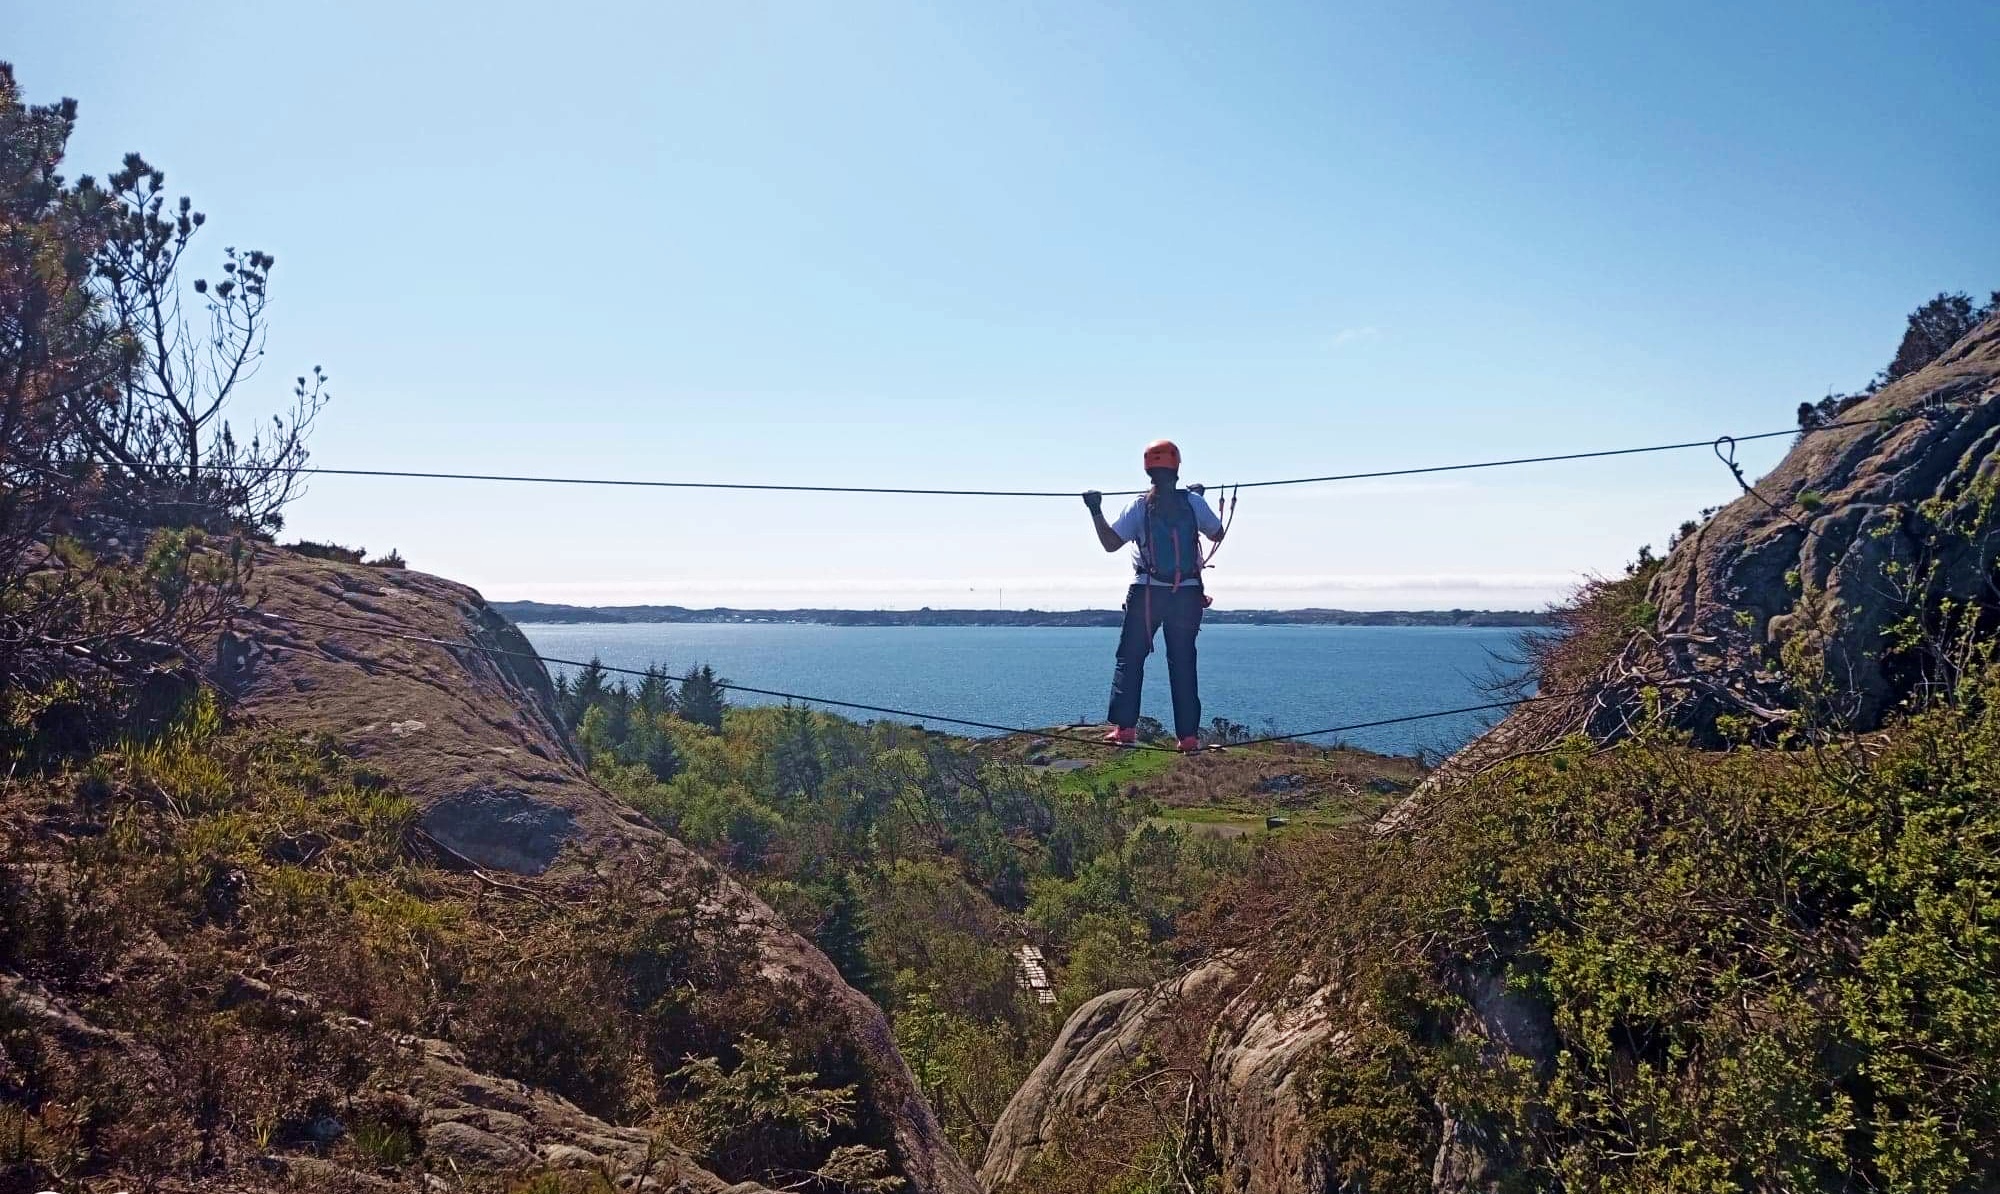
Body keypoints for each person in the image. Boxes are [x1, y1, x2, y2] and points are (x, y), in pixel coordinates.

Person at [1083, 439, 1225, 752]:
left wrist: (1095, 510)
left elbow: (1110, 543)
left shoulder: (1139, 505)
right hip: (1187, 594)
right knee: (1183, 662)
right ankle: (1187, 738)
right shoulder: (1192, 502)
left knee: (1130, 659)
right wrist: (1199, 498)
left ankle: (1125, 729)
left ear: (1148, 470)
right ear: (1177, 468)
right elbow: (1217, 533)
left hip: (1147, 592)